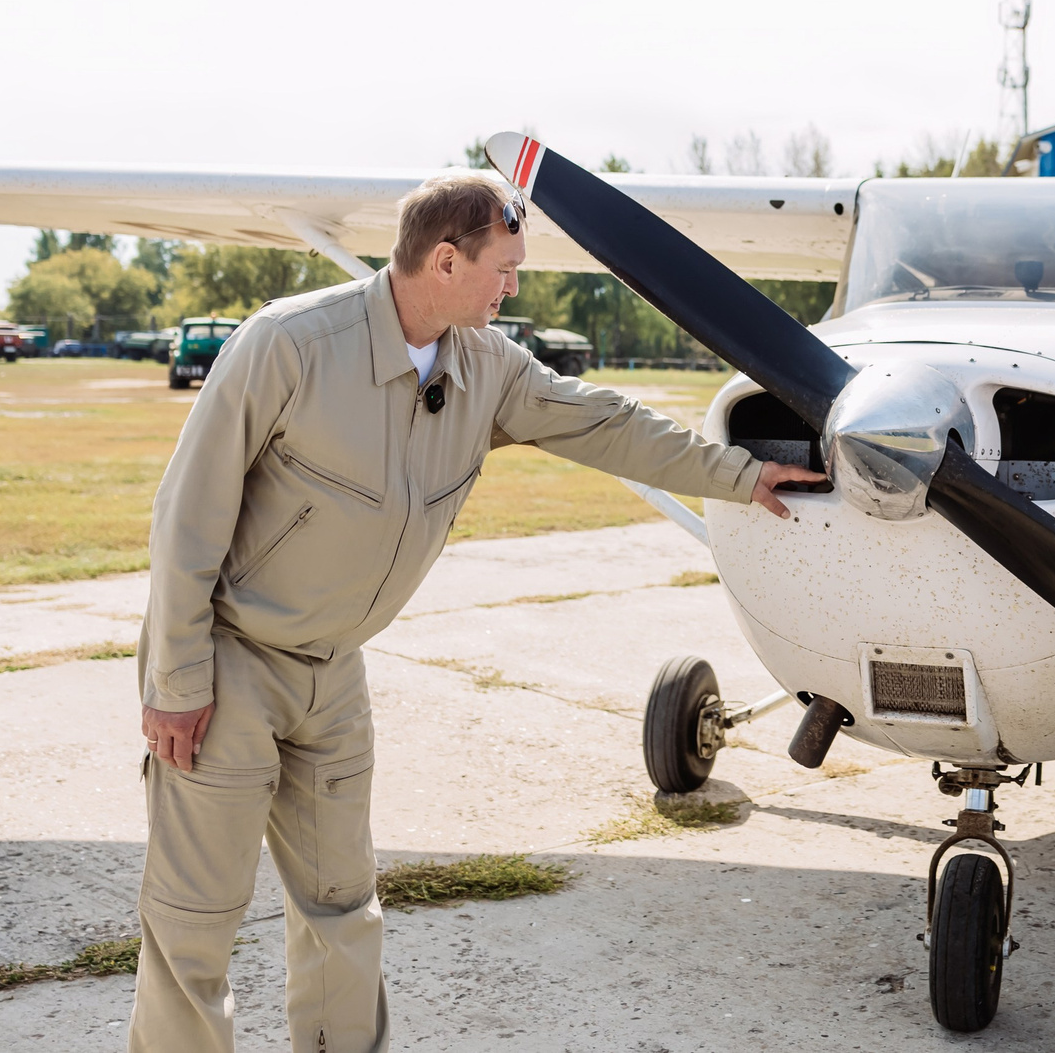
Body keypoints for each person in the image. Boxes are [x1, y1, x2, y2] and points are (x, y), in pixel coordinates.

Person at [129, 169, 821, 1053]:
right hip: (231, 664)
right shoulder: (288, 344)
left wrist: (741, 472)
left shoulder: (487, 365)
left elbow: (605, 422)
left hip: (334, 673)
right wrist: (177, 680)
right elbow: (186, 515)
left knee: (344, 908)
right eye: (505, 267)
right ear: (446, 261)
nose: (515, 286)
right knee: (194, 923)